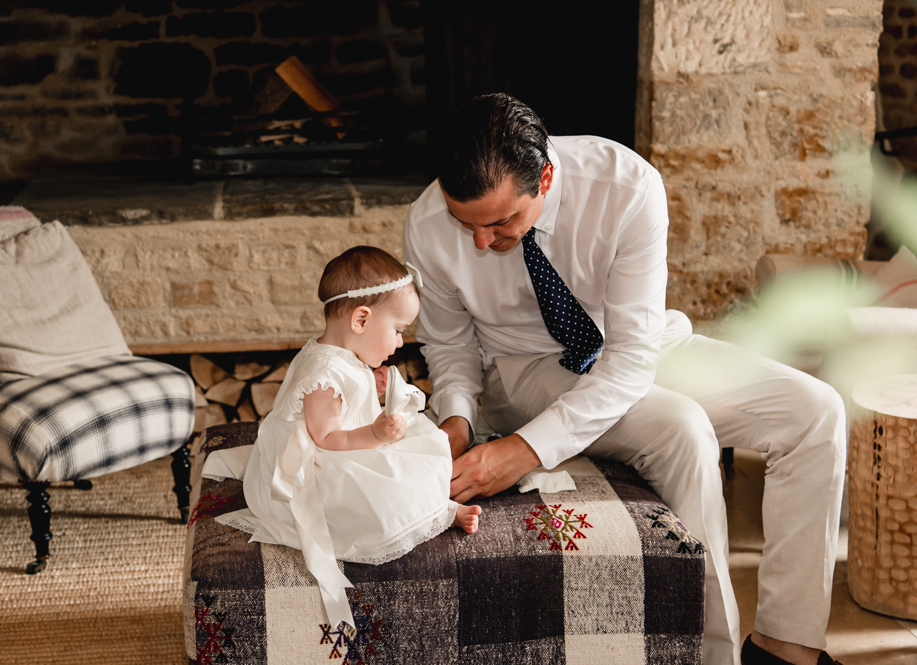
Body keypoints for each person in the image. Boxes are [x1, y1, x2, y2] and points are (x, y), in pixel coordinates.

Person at [402, 93, 846, 665]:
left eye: (501, 221)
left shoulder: (628, 187)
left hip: (636, 344)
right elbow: (450, 346)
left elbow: (632, 358)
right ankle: (711, 656)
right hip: (522, 366)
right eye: (467, 224)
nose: (482, 241)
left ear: (545, 176)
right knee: (682, 428)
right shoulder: (426, 223)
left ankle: (786, 650)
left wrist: (522, 451)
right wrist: (458, 421)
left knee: (815, 411)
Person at [206, 246, 480, 633]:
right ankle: (438, 512)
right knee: (386, 487)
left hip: (344, 441)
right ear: (361, 319)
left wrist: (370, 382)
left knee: (419, 443)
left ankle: (437, 507)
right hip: (321, 464)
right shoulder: (323, 377)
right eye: (398, 330)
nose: (400, 342)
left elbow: (348, 390)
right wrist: (375, 433)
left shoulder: (338, 351)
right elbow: (328, 438)